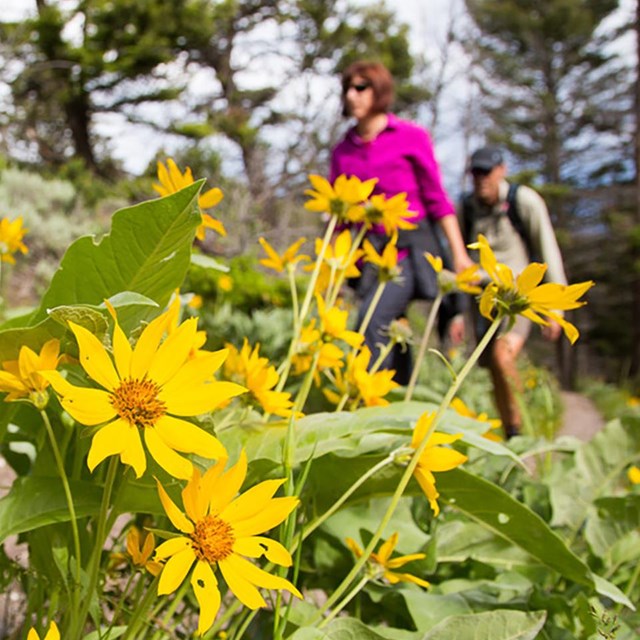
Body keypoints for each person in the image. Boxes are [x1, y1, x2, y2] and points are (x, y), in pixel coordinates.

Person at [330, 60, 472, 385]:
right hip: (369, 249)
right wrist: (338, 264)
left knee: (372, 319)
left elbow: (437, 199)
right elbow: (340, 215)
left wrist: (459, 254)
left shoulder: (410, 137)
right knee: (396, 326)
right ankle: (399, 397)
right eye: (348, 88)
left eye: (361, 87)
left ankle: (368, 399)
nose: (353, 95)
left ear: (379, 91)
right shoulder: (343, 151)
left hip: (409, 247)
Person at [451, 146, 568, 437]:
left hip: (519, 296)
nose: (481, 179)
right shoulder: (465, 207)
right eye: (475, 172)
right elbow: (459, 264)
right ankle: (510, 431)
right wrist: (456, 313)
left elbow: (547, 248)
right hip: (484, 297)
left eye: (486, 171)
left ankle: (523, 429)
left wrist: (557, 306)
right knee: (492, 366)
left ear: (502, 170)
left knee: (503, 355)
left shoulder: (523, 201)